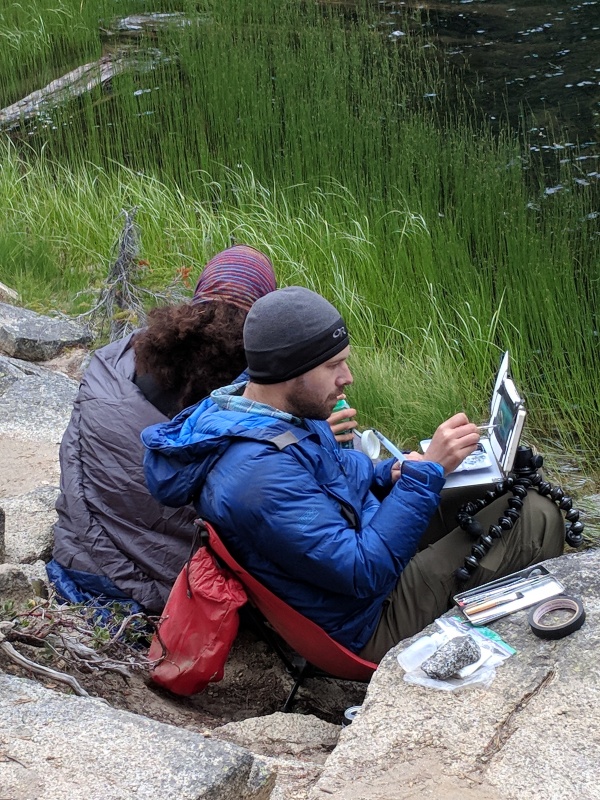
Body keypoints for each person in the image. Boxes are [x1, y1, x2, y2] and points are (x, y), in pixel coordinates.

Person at [141, 287, 565, 661]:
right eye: (333, 366)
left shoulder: (262, 411)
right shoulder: (257, 478)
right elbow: (362, 572)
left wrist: (391, 473)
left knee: (492, 488)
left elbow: (333, 471)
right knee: (535, 516)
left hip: (354, 563)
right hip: (365, 622)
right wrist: (428, 472)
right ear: (291, 368)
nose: (348, 378)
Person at [48, 245, 277, 613]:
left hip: (79, 565)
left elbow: (74, 454)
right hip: (181, 598)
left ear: (198, 294)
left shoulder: (120, 360)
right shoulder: (260, 391)